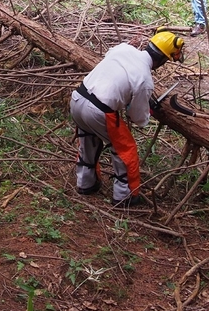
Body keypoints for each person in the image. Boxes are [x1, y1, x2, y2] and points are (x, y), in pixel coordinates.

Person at [71, 31, 185, 207]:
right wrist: (147, 110)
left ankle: (86, 183)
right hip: (99, 111)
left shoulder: (123, 49)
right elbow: (138, 118)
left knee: (88, 138)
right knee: (125, 149)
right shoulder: (145, 80)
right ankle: (125, 196)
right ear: (163, 59)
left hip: (78, 99)